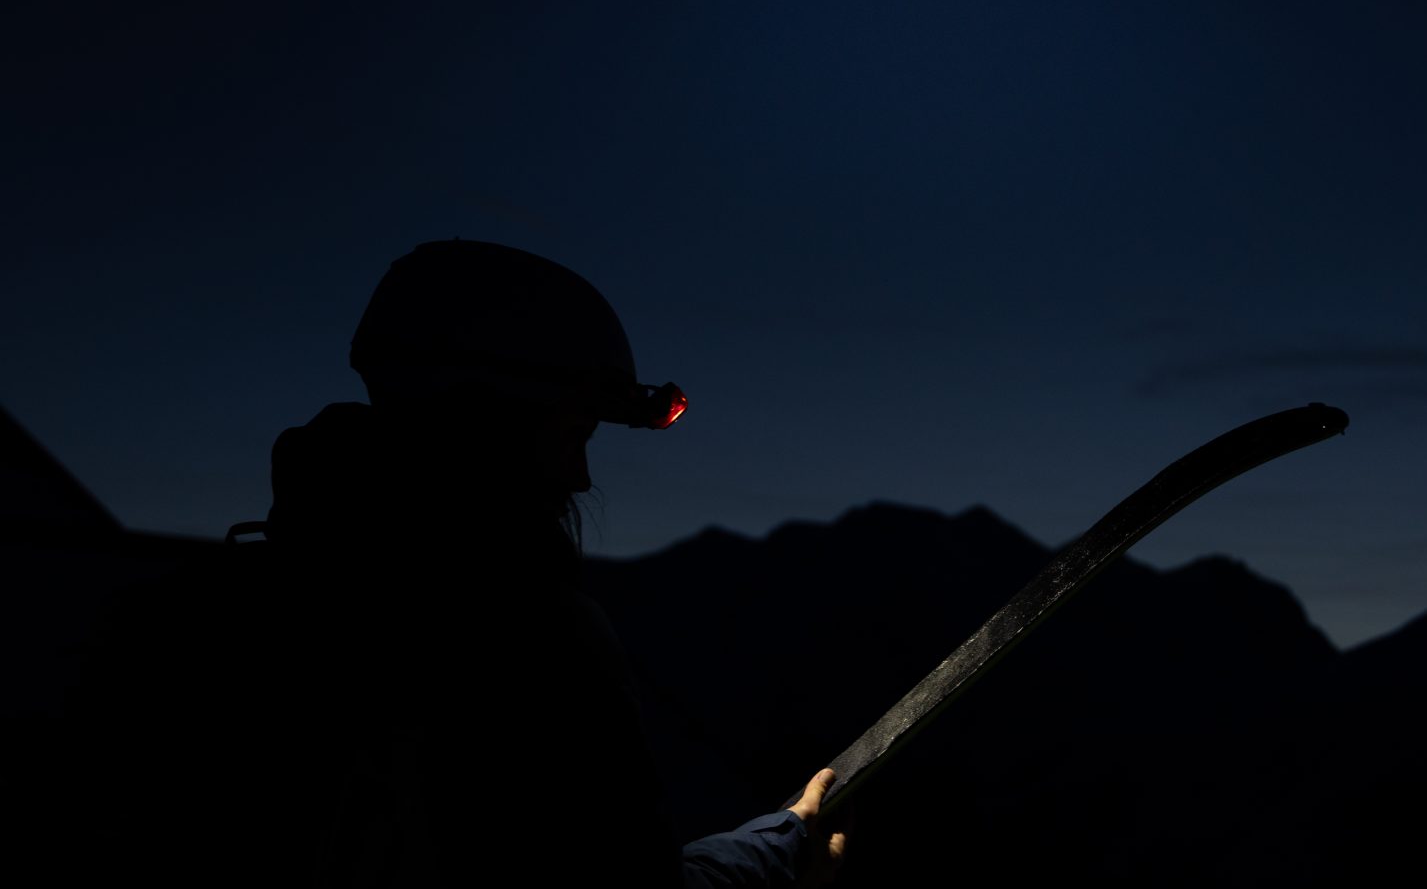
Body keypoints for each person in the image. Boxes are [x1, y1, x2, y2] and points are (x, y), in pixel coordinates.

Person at [74, 239, 847, 888]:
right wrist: (777, 852)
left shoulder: (185, 622)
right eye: (575, 432)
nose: (580, 475)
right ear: (489, 420)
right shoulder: (527, 639)